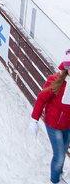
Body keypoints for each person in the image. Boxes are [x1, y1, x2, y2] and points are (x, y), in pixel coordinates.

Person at [31, 51, 70, 184]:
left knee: (63, 152)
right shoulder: (56, 80)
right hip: (53, 125)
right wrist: (34, 120)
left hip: (68, 126)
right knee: (59, 156)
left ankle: (58, 173)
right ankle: (54, 181)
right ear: (66, 67)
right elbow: (42, 99)